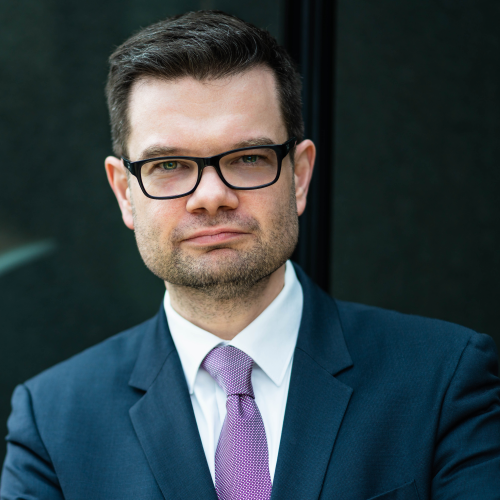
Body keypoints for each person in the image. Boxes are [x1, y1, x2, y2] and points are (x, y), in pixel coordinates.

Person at [1, 10, 499, 500]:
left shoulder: (444, 378)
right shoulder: (53, 421)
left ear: (299, 176)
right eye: (169, 164)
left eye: (248, 158)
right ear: (125, 192)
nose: (210, 196)